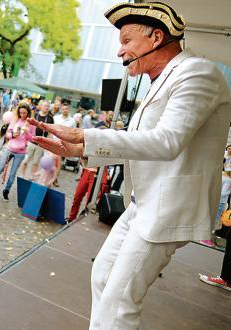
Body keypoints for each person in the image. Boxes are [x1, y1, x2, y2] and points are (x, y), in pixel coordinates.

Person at [29, 3, 231, 328]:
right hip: (142, 204)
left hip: (167, 208)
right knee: (102, 277)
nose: (119, 50)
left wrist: (85, 134)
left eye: (126, 40)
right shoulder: (164, 79)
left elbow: (166, 142)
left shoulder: (198, 73)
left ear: (156, 37)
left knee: (120, 301)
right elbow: (140, 143)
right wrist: (79, 150)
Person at [0, 102, 35, 201]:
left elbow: (32, 139)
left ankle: (6, 191)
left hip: (20, 152)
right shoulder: (15, 120)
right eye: (21, 112)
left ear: (28, 113)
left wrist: (26, 133)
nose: (22, 115)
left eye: (24, 113)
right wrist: (13, 134)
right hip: (9, 148)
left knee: (13, 173)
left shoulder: (31, 124)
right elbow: (7, 134)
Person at [20, 100, 52, 179]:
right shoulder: (35, 115)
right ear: (41, 106)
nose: (46, 108)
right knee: (26, 160)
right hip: (31, 142)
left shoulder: (50, 118)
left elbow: (50, 132)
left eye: (48, 106)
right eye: (45, 106)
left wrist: (48, 143)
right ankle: (22, 174)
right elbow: (26, 125)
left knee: (35, 162)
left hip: (41, 144)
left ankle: (32, 176)